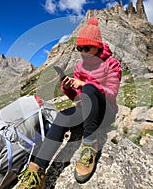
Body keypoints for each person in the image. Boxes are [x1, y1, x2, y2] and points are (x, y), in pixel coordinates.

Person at [18, 17, 121, 189]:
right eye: (79, 48)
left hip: (106, 112)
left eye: (87, 48)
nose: (82, 52)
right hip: (86, 109)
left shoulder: (112, 64)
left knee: (89, 89)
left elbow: (112, 93)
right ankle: (37, 170)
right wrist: (68, 87)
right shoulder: (79, 67)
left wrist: (87, 85)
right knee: (61, 117)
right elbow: (77, 98)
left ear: (98, 46)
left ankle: (90, 146)